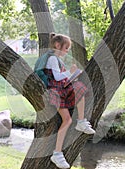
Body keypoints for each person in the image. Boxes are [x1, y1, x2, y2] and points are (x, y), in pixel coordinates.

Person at [43, 33, 96, 168]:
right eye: (66, 48)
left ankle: (81, 121)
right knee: (67, 119)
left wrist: (71, 76)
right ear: (57, 45)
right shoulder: (52, 59)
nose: (67, 51)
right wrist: (70, 72)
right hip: (55, 92)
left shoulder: (56, 60)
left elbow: (60, 78)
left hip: (60, 90)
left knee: (78, 91)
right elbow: (56, 77)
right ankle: (57, 153)